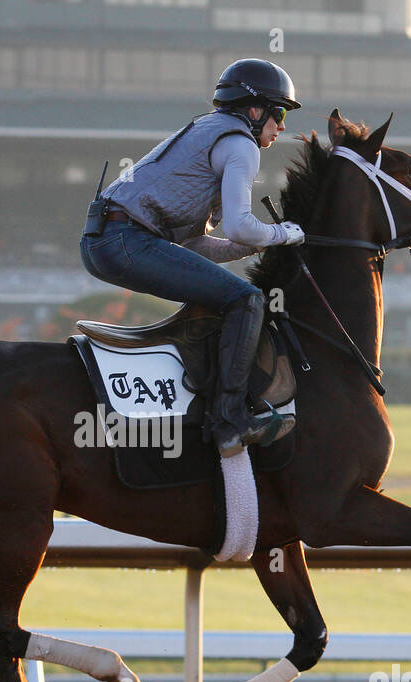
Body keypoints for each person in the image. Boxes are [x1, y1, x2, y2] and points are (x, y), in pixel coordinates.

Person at [80, 58, 306, 457]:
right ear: (256, 110)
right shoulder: (240, 143)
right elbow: (240, 226)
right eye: (280, 113)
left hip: (105, 241)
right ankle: (231, 421)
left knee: (228, 296)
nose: (282, 126)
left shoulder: (208, 129)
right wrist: (284, 233)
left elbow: (196, 247)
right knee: (247, 299)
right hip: (124, 241)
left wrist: (258, 243)